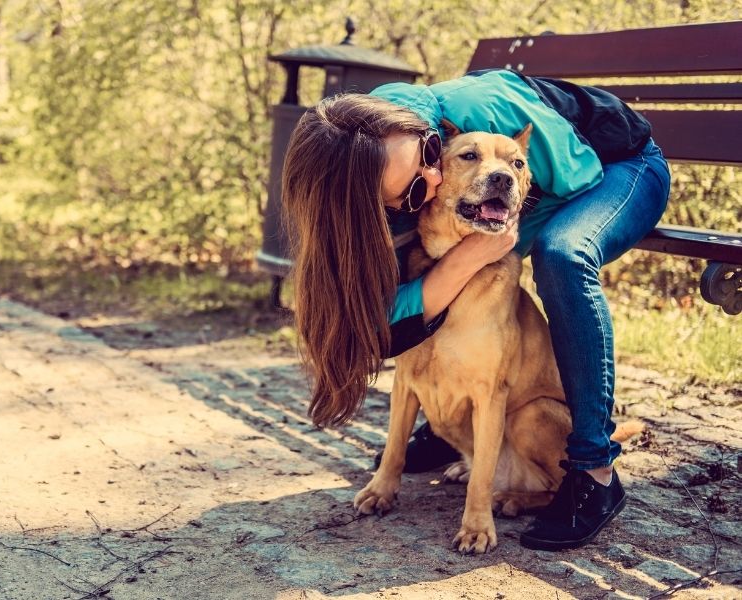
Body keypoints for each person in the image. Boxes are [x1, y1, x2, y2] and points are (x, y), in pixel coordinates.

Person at [281, 68, 670, 551]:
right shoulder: (378, 163)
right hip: (493, 204)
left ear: (422, 134)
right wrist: (459, 261)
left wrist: (491, 251)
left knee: (562, 254)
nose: (432, 177)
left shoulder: (487, 110)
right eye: (412, 194)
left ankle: (594, 467)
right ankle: (450, 426)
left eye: (429, 158)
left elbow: (574, 184)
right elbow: (378, 319)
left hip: (616, 168)